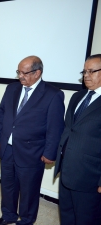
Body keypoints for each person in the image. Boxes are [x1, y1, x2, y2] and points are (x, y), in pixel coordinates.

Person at [0, 56, 65, 225]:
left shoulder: (53, 95)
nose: (20, 76)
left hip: (32, 152)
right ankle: (8, 215)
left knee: (29, 191)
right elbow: (2, 114)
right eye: (18, 72)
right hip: (8, 149)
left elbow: (55, 128)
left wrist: (50, 153)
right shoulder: (11, 88)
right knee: (7, 185)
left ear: (37, 73)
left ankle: (26, 220)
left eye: (24, 73)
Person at [54, 54, 101, 225]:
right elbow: (69, 130)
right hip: (67, 170)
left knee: (87, 219)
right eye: (84, 71)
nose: (86, 75)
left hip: (90, 176)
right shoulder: (77, 97)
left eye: (92, 71)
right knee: (66, 215)